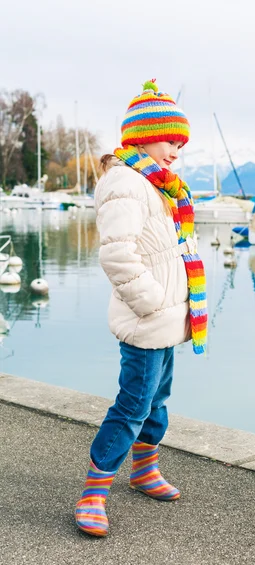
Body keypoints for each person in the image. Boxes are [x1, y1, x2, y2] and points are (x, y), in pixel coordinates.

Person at [75, 79, 207, 537]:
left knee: (158, 400)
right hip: (147, 318)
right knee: (133, 405)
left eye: (181, 143)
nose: (176, 150)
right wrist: (152, 303)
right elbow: (117, 254)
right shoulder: (126, 183)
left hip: (169, 318)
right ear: (142, 136)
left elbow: (169, 251)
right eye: (171, 139)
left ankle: (145, 469)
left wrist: (179, 306)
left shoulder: (160, 187)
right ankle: (94, 492)